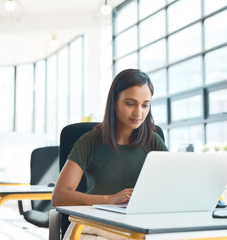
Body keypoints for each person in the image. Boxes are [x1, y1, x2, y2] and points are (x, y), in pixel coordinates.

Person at [52, 69, 168, 239]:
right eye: (130, 103)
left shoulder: (153, 141)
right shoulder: (90, 142)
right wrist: (110, 199)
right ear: (114, 102)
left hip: (139, 226)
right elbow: (59, 196)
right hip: (95, 225)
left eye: (145, 105)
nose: (138, 113)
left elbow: (173, 186)